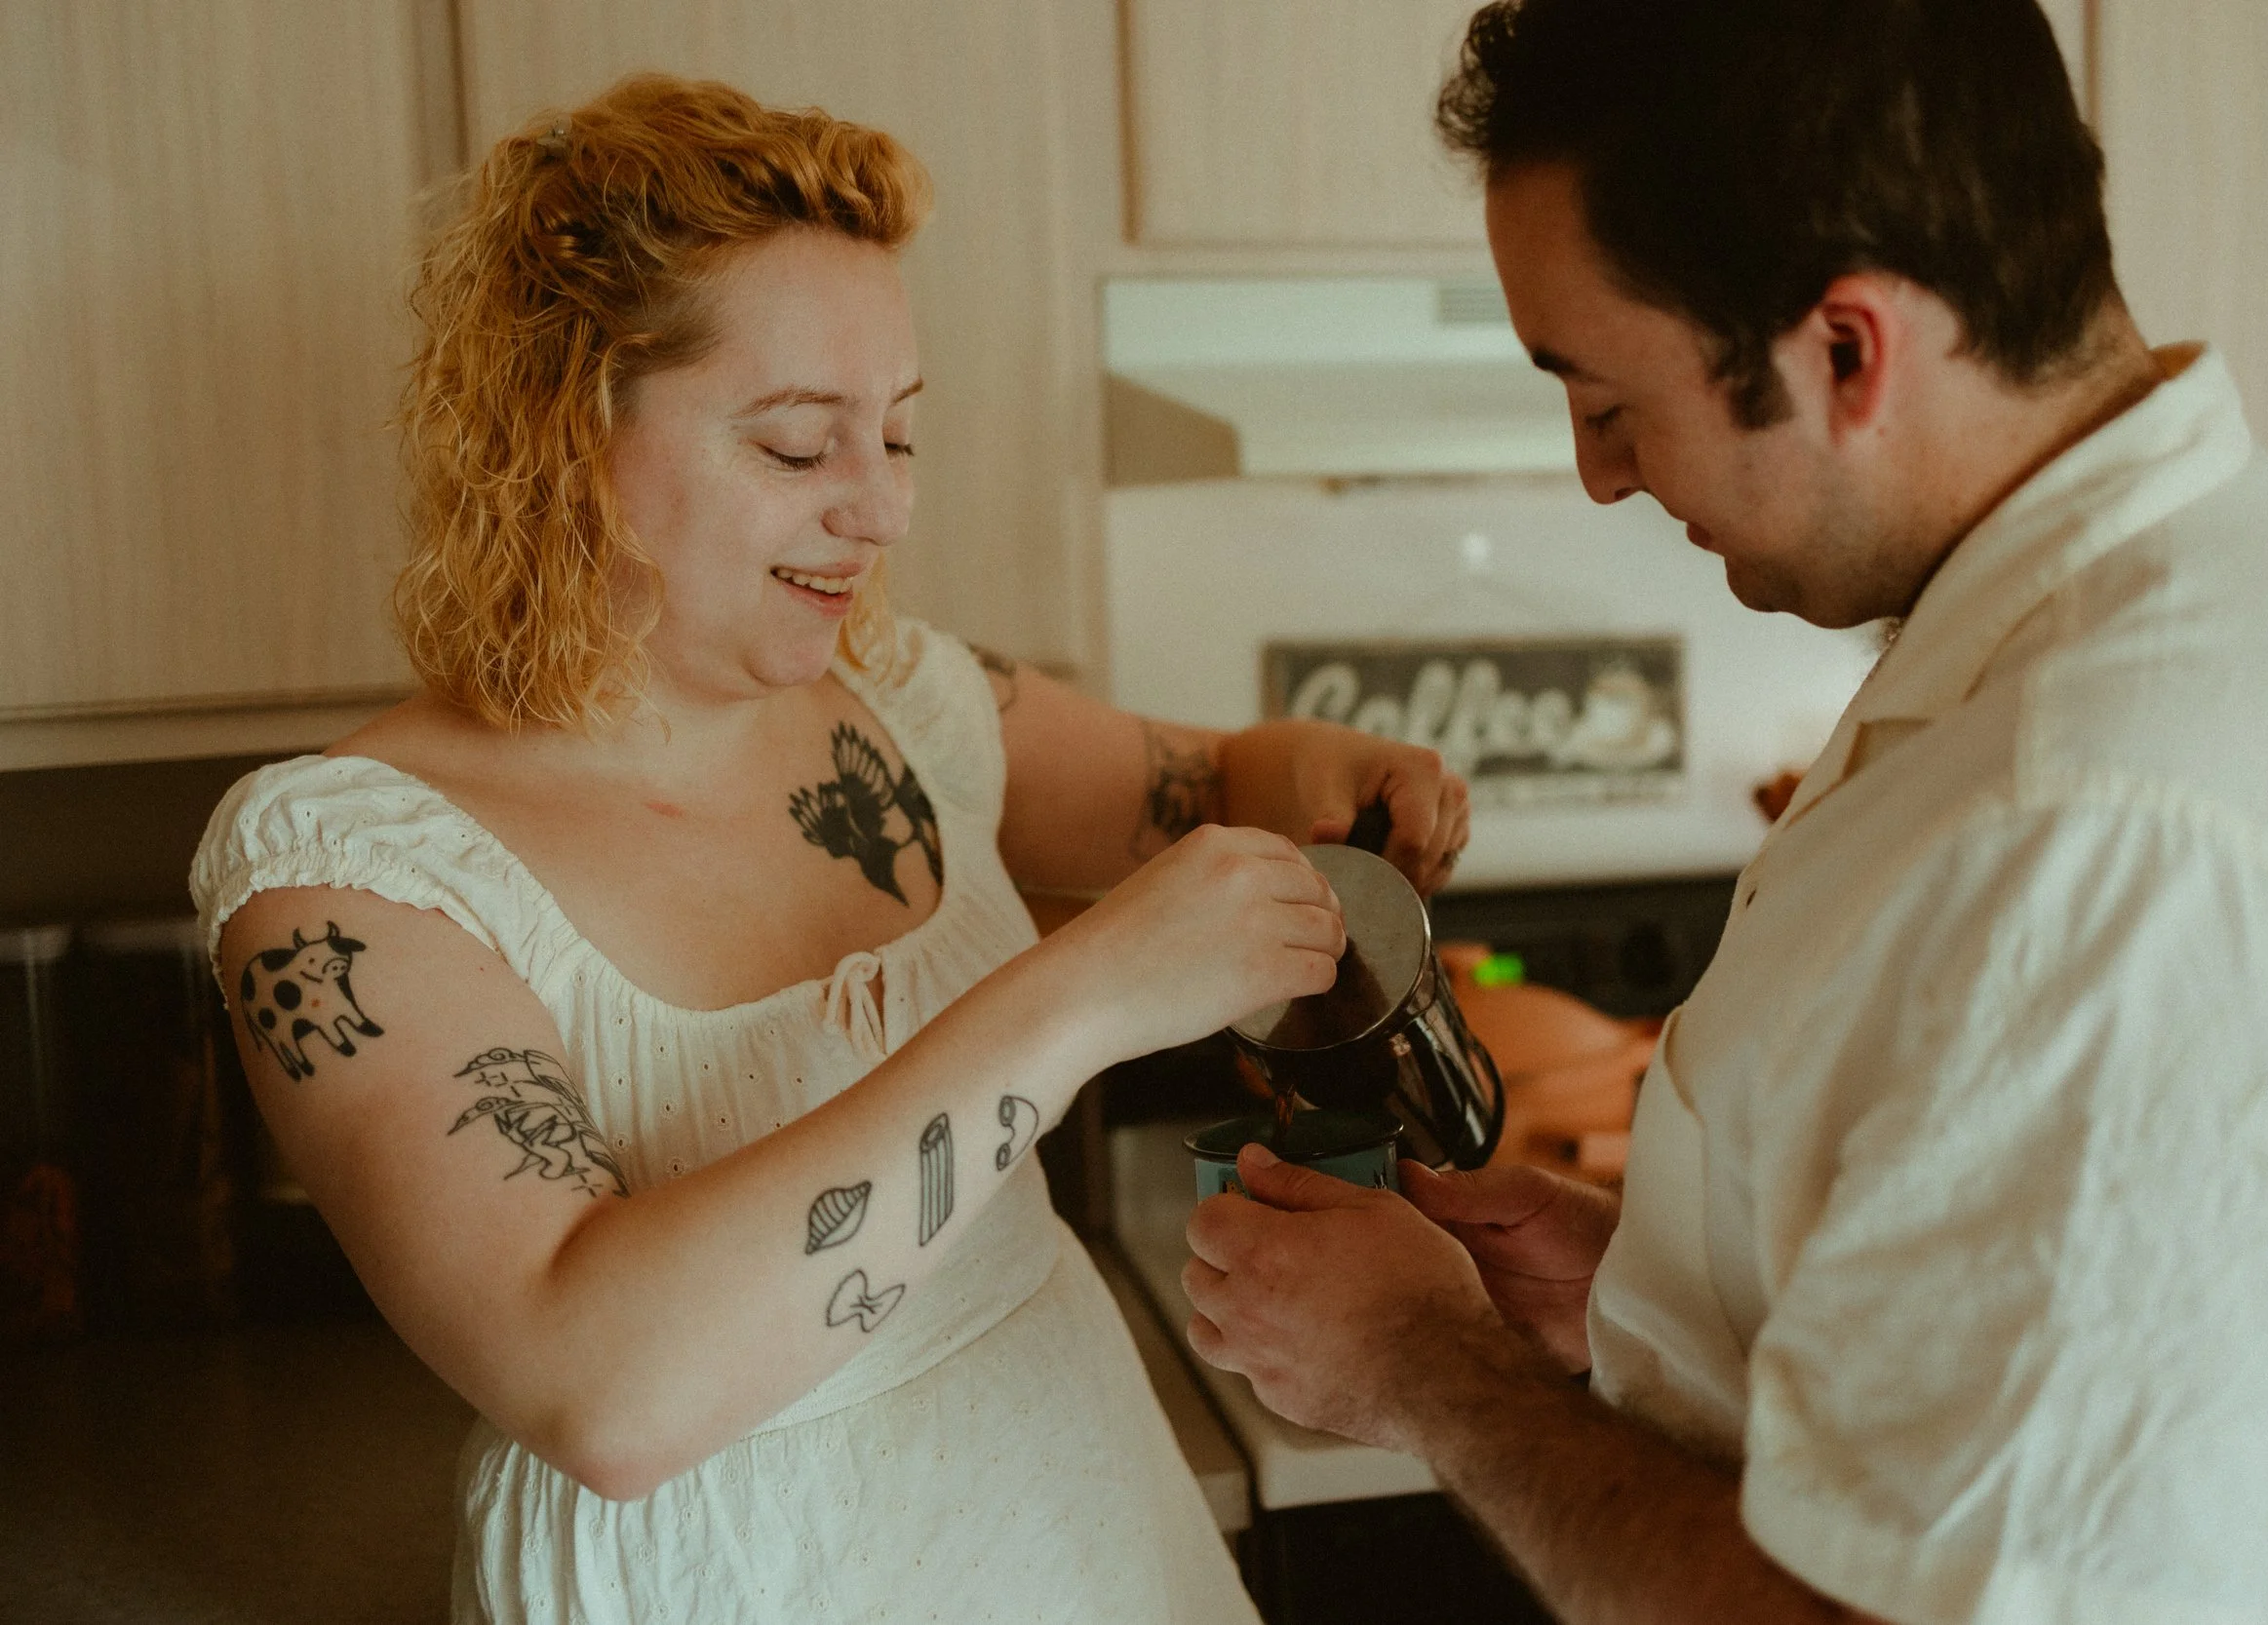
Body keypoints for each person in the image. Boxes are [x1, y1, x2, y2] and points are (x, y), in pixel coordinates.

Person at [1183, 1, 2268, 1621]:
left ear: (1846, 350)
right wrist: (1681, 1297)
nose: (1598, 478)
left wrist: (1428, 1370)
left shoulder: (2114, 851)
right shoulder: (2189, 582)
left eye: (1609, 400)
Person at [190, 75, 1468, 1624]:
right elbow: (596, 1388)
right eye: (800, 449)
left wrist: (1311, 771)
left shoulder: (907, 694)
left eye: (900, 435)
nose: (878, 511)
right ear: (566, 434)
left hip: (1072, 1508)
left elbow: (1201, 782)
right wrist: (1085, 995)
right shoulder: (344, 870)